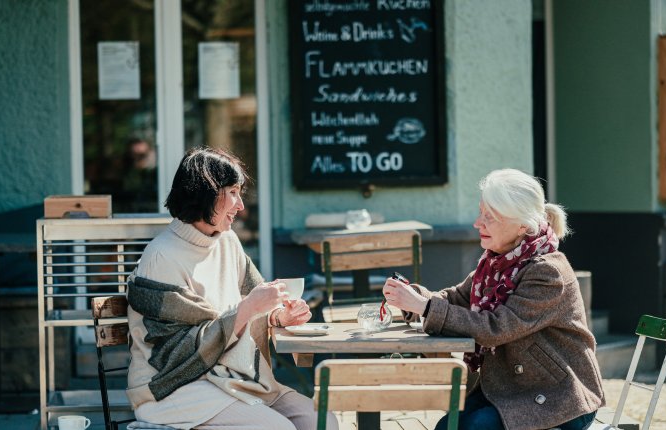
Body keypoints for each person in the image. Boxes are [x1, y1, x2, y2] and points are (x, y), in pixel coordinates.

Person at [126, 147, 338, 430]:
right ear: (206, 193)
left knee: (322, 422)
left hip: (233, 379)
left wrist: (278, 316)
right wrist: (250, 307)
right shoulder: (161, 256)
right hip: (174, 389)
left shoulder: (227, 241)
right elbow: (171, 355)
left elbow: (255, 299)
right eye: (234, 192)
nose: (241, 206)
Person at [382, 168, 604, 430]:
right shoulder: (497, 262)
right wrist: (413, 298)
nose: (478, 223)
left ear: (522, 224)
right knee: (447, 426)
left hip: (559, 397)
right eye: (480, 213)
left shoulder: (548, 272)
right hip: (509, 388)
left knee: (471, 428)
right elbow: (456, 298)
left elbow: (496, 328)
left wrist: (425, 307)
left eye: (490, 217)